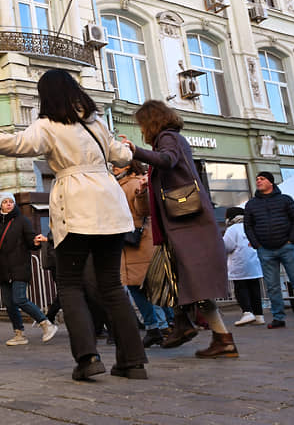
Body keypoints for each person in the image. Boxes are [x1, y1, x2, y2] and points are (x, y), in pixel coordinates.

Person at [0, 69, 148, 381]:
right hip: (111, 208)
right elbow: (120, 155)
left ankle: (88, 358)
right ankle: (133, 362)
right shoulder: (96, 123)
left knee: (71, 285)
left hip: (76, 208)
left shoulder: (47, 126)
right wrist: (129, 148)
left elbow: (14, 144)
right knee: (112, 285)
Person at [121, 100, 238, 359]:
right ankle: (218, 337)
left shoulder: (168, 138)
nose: (141, 129)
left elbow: (167, 160)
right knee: (183, 280)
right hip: (180, 225)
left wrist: (134, 151)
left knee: (177, 278)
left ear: (151, 121)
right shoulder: (168, 139)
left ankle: (186, 324)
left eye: (142, 124)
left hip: (188, 225)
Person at [244, 172, 294, 328]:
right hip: (265, 250)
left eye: (262, 179)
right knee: (272, 286)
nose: (258, 181)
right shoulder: (251, 204)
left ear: (271, 182)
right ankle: (278, 318)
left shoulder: (285, 200)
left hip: (287, 248)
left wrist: (292, 239)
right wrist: (257, 244)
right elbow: (248, 226)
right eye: (257, 179)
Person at [0, 193, 58, 346]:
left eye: (11, 201)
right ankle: (19, 334)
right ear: (0, 206)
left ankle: (47, 324)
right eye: (5, 202)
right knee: (9, 302)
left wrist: (36, 243)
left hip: (20, 265)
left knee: (19, 298)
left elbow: (31, 241)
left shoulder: (22, 220)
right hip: (4, 268)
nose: (8, 204)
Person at [112, 160, 170, 348]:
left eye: (118, 164)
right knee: (135, 287)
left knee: (149, 286)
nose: (114, 167)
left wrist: (141, 193)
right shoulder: (115, 184)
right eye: (113, 164)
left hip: (140, 241)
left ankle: (160, 326)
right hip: (126, 243)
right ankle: (155, 327)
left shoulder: (136, 183)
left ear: (129, 166)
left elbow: (143, 210)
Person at [222, 207, 264, 326]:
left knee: (241, 288)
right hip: (254, 262)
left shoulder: (232, 229)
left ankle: (247, 313)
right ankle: (259, 315)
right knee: (255, 289)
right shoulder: (252, 227)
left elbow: (226, 246)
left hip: (239, 263)